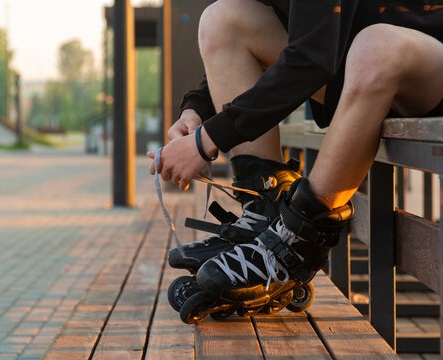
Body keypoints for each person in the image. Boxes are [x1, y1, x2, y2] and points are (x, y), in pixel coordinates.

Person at [149, 0, 443, 306]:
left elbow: (311, 59)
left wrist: (206, 140)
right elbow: (303, 41)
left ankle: (295, 242)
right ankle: (265, 213)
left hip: (426, 57)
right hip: (353, 64)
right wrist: (195, 109)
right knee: (223, 19)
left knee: (375, 45)